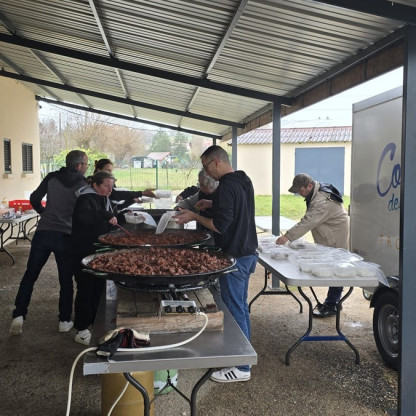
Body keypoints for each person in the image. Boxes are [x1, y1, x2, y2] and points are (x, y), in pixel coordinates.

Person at [175, 145, 258, 383]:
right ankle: (243, 353)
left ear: (216, 162)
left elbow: (219, 226)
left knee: (234, 308)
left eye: (206, 166)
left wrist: (194, 216)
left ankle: (241, 367)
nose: (206, 171)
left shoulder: (225, 187)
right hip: (248, 252)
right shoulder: (243, 179)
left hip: (234, 256)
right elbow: (237, 207)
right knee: (240, 306)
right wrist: (211, 205)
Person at [10, 150, 89, 336]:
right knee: (65, 280)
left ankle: (18, 315)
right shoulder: (83, 183)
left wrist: (43, 213)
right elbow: (84, 212)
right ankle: (64, 320)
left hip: (43, 233)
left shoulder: (52, 177)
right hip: (66, 236)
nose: (86, 168)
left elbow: (34, 198)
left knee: (30, 275)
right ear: (79, 166)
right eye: (86, 164)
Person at [276, 173, 349, 318]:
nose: (299, 193)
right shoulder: (315, 192)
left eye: (301, 190)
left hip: (335, 234)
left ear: (309, 186)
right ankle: (333, 301)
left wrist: (287, 237)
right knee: (333, 267)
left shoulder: (321, 201)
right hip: (330, 231)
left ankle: (332, 304)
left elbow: (308, 222)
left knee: (336, 268)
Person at [71, 171, 118, 345]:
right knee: (85, 288)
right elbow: (84, 217)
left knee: (97, 288)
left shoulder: (103, 198)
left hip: (97, 251)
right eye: (106, 186)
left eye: (111, 186)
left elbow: (105, 218)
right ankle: (81, 329)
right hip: (83, 250)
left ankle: (93, 322)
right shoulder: (85, 198)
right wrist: (106, 215)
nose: (109, 190)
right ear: (95, 185)